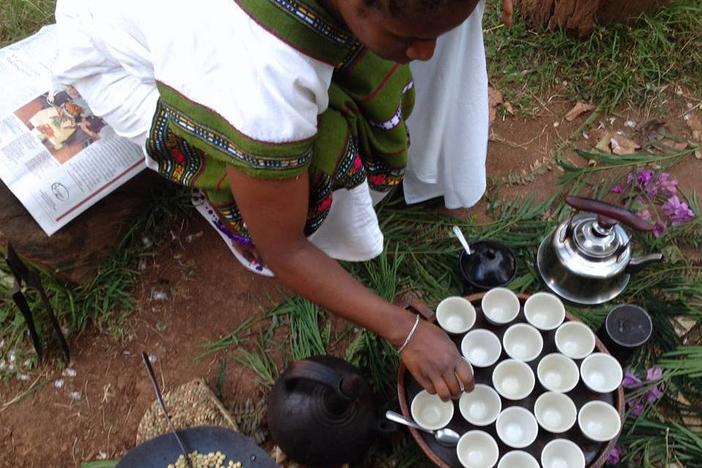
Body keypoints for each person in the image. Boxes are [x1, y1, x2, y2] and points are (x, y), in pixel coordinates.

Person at [51, 0, 492, 401]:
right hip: (115, 59)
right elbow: (284, 249)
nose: (426, 51)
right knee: (314, 158)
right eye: (411, 39)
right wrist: (405, 331)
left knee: (428, 38)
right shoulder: (262, 83)